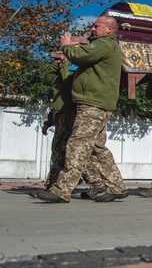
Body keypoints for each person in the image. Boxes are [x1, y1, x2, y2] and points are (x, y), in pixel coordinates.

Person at [36, 16, 128, 203]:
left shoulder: (105, 44)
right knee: (96, 147)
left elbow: (81, 56)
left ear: (110, 29)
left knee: (77, 145)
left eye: (97, 26)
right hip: (97, 103)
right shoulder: (106, 45)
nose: (92, 29)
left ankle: (62, 190)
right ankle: (117, 186)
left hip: (93, 103)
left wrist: (67, 46)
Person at [30, 55, 106, 199]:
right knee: (64, 152)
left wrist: (66, 63)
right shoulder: (63, 67)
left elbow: (68, 81)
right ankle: (56, 185)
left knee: (71, 152)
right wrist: (54, 65)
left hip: (72, 113)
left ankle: (93, 182)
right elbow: (47, 81)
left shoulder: (76, 66)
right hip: (61, 113)